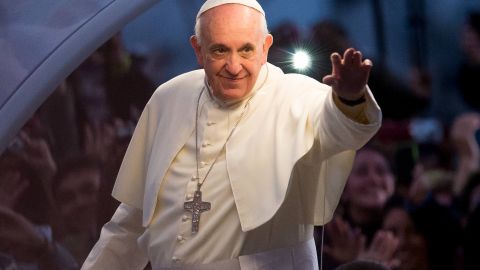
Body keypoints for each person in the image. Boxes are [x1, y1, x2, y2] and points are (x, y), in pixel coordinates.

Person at [82, 0, 382, 269]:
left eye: (246, 49)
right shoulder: (167, 98)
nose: (234, 66)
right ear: (198, 50)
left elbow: (339, 128)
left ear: (265, 47)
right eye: (219, 50)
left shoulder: (295, 95)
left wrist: (350, 98)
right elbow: (132, 220)